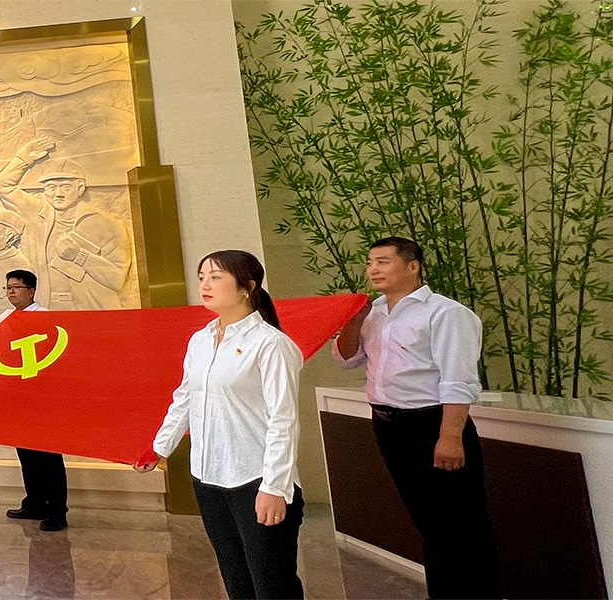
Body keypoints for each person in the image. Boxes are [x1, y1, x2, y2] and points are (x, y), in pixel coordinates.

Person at [335, 236, 502, 598]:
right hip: (388, 427)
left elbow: (457, 380)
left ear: (413, 266)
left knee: (463, 523)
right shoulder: (373, 313)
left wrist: (450, 437)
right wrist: (354, 320)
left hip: (432, 424)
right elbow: (347, 359)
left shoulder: (445, 313)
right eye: (370, 263)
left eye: (383, 261)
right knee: (430, 523)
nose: (373, 270)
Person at [141, 249, 303, 600]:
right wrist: (159, 447)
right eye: (202, 277)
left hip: (256, 478)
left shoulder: (271, 345)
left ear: (248, 287)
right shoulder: (200, 340)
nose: (205, 285)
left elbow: (284, 420)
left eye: (216, 277)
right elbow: (185, 398)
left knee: (272, 582)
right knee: (235, 575)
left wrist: (275, 487)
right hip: (208, 476)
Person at [1, 270, 69, 532]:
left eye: (17, 287)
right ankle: (35, 503)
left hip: (43, 400)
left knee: (48, 456)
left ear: (31, 291)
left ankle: (57, 511)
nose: (11, 291)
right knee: (27, 454)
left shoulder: (44, 319)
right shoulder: (10, 321)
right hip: (19, 398)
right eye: (8, 287)